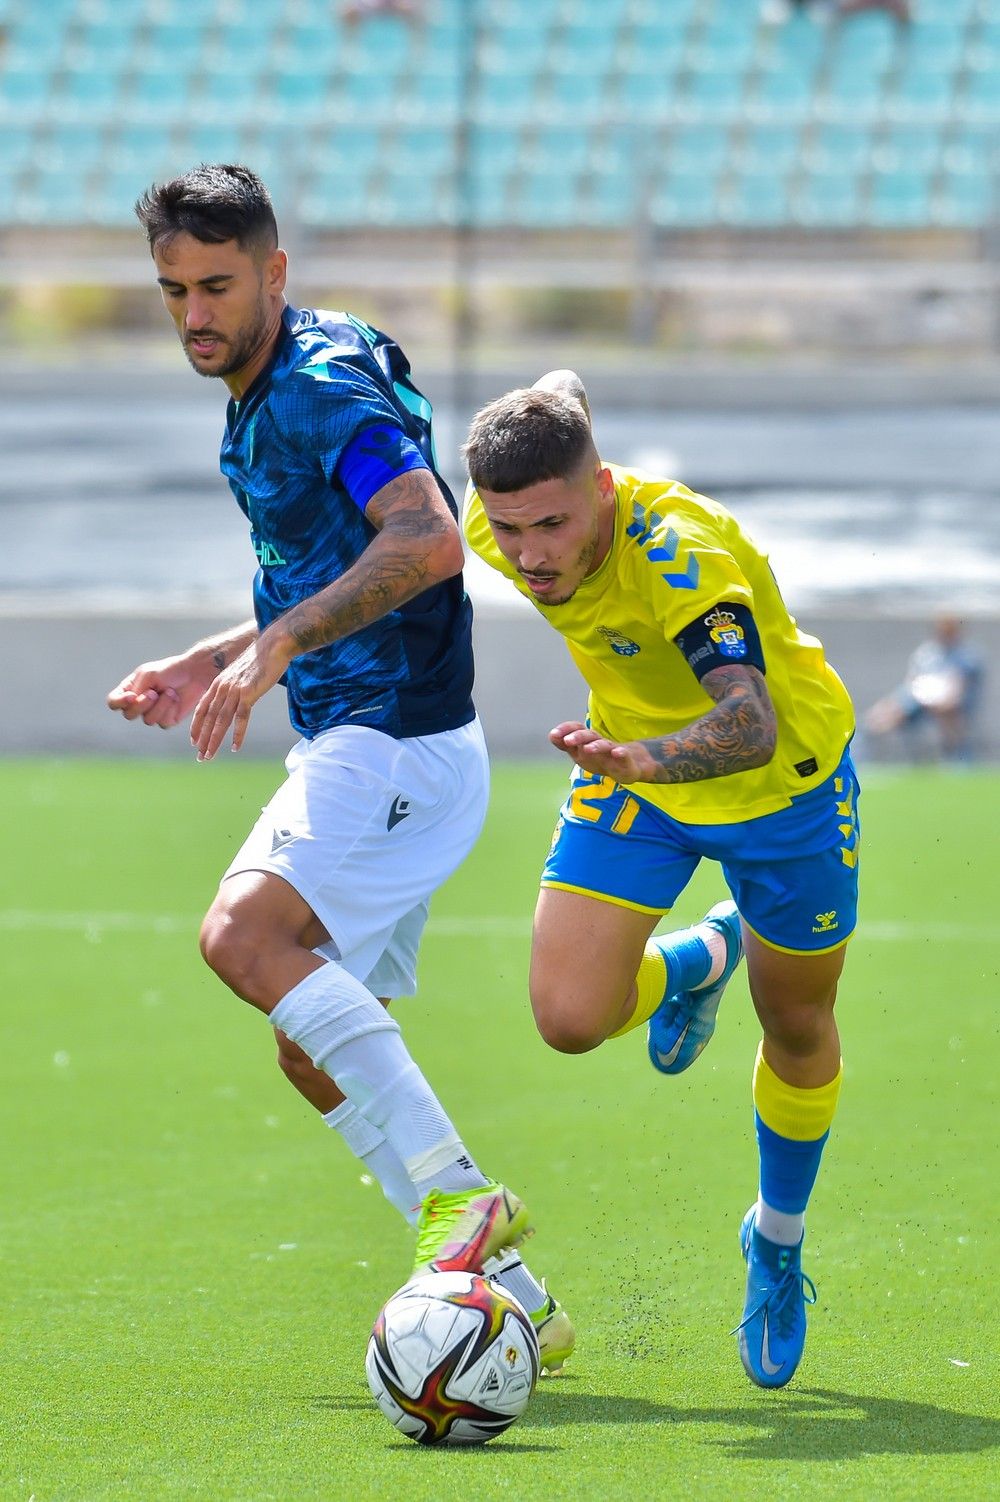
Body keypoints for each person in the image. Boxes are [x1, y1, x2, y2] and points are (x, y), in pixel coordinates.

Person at [106, 164, 573, 1373]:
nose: (194, 314)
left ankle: (456, 1199)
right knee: (307, 1043)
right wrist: (216, 649)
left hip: (392, 734)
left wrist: (273, 648)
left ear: (273, 270)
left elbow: (424, 537)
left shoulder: (311, 388)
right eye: (172, 291)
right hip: (377, 736)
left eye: (216, 285)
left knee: (239, 938)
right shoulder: (291, 368)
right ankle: (508, 1285)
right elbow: (324, 553)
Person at [462, 373, 860, 1389]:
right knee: (566, 1015)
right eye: (511, 532)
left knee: (799, 1025)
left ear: (600, 486)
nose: (532, 555)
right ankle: (696, 958)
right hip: (632, 768)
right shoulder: (491, 516)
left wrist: (645, 761)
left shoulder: (680, 557)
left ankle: (773, 1240)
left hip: (782, 784)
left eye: (552, 523)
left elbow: (749, 720)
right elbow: (553, 402)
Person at [865, 614, 984, 763]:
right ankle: (871, 758)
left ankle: (958, 758)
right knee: (882, 715)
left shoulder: (967, 656)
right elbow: (912, 681)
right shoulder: (927, 653)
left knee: (947, 711)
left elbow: (959, 685)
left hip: (953, 704)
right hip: (920, 700)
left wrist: (939, 699)